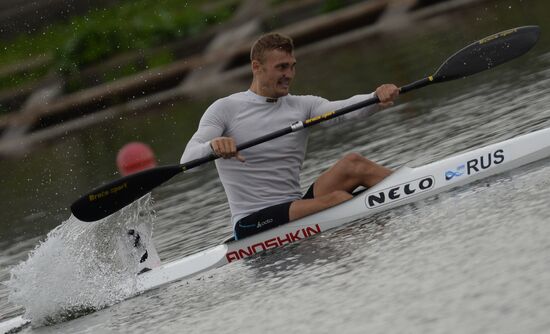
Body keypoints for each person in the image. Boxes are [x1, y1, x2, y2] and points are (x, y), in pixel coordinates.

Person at [181, 32, 399, 240]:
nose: (289, 75)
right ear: (257, 67)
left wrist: (375, 98)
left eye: (292, 67)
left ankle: (417, 184)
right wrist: (213, 146)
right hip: (252, 222)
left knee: (353, 164)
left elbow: (341, 112)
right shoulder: (225, 109)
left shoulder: (302, 105)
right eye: (281, 67)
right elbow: (188, 161)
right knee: (338, 200)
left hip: (294, 206)